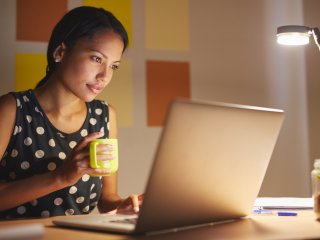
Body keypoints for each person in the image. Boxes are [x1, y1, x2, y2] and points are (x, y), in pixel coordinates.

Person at [0, 6, 142, 219]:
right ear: (60, 52)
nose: (104, 75)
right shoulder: (12, 109)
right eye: (96, 59)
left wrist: (125, 207)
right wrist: (60, 177)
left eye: (114, 66)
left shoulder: (105, 116)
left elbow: (107, 200)